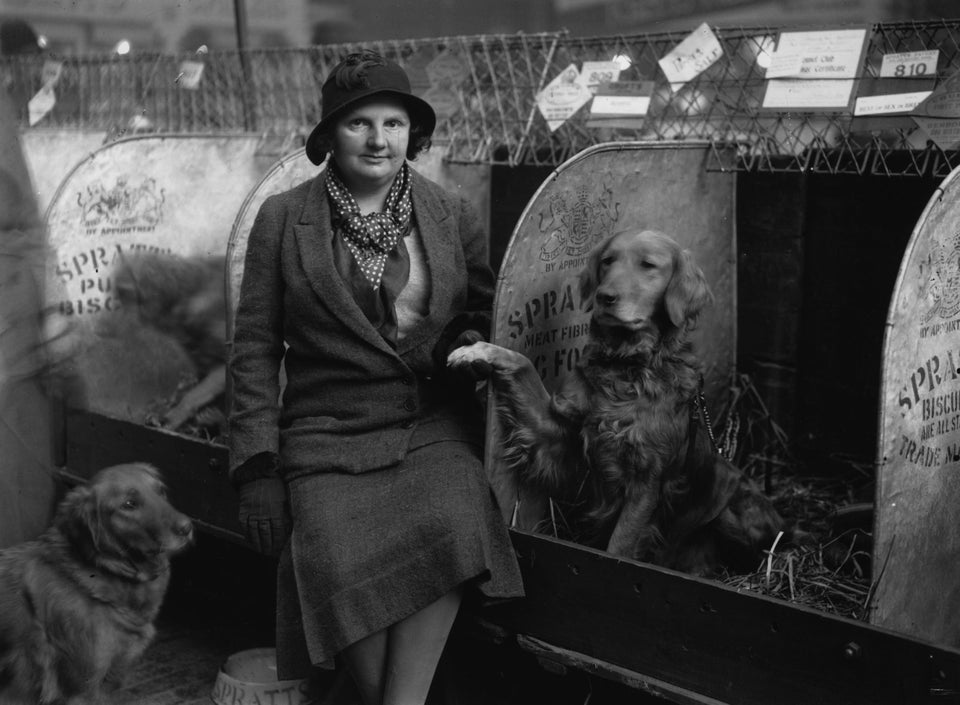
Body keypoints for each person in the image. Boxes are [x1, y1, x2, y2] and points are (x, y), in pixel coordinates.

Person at [228, 51, 524, 705]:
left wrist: (470, 344)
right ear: (330, 134)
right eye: (359, 122)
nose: (378, 138)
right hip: (326, 429)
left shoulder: (451, 214)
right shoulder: (282, 220)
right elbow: (252, 348)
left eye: (393, 123)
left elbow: (478, 312)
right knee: (333, 551)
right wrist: (256, 467)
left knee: (454, 512)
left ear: (410, 135)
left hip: (427, 420)